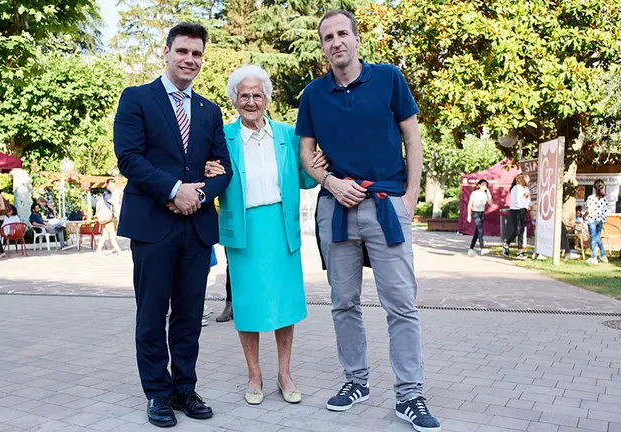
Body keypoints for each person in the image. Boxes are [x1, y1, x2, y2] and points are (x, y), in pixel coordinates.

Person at [294, 10, 441, 432]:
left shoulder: (390, 79)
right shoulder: (312, 95)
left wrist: (410, 198)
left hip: (386, 206)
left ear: (356, 39)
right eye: (328, 37)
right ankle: (355, 382)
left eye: (342, 34)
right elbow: (306, 153)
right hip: (335, 210)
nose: (336, 42)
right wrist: (330, 181)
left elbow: (412, 137)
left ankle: (410, 395)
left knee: (401, 305)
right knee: (343, 303)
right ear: (322, 47)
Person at [113, 22, 232, 428]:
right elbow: (129, 158)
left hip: (196, 228)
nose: (189, 60)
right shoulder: (137, 99)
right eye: (182, 51)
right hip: (152, 225)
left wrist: (198, 194)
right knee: (151, 314)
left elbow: (224, 169)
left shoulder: (209, 110)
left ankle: (184, 388)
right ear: (166, 52)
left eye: (197, 54)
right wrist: (175, 189)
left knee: (188, 314)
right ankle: (157, 394)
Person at [205, 65, 328, 405]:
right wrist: (206, 169)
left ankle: (284, 373)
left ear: (267, 99)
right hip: (244, 230)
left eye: (257, 95)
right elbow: (213, 176)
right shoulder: (223, 137)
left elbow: (304, 179)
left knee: (284, 305)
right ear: (234, 100)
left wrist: (319, 164)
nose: (250, 101)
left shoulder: (288, 134)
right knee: (247, 306)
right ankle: (254, 374)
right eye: (243, 95)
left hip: (281, 225)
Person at [503, 174, 531, 259]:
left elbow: (527, 199)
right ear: (522, 179)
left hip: (523, 210)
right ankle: (506, 243)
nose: (529, 179)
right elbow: (517, 200)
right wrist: (525, 205)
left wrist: (528, 205)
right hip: (516, 210)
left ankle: (520, 252)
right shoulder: (516, 188)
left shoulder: (525, 189)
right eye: (527, 178)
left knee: (521, 231)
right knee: (517, 230)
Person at [584, 179, 609, 265]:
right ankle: (603, 255)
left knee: (593, 238)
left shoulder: (590, 198)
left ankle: (594, 257)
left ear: (594, 188)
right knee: (597, 237)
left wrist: (584, 216)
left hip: (591, 219)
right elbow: (605, 211)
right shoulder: (605, 199)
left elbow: (588, 210)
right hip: (600, 220)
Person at [95, 178, 122, 255]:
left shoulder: (109, 194)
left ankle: (98, 251)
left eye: (114, 185)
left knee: (105, 235)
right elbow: (112, 202)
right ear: (107, 186)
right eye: (111, 185)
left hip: (108, 218)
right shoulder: (106, 194)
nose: (112, 187)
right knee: (112, 234)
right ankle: (118, 250)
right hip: (108, 218)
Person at [466, 179, 492, 256]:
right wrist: (469, 215)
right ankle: (482, 248)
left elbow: (490, 202)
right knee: (480, 230)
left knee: (477, 232)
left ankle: (471, 248)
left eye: (486, 185)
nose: (485, 186)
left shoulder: (485, 194)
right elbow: (470, 204)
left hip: (482, 213)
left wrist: (488, 192)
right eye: (483, 184)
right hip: (475, 213)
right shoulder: (474, 193)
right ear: (479, 185)